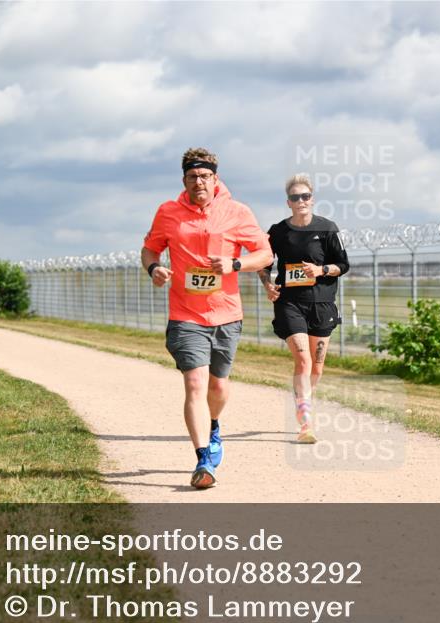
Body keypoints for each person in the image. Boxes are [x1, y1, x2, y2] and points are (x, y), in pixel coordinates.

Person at [141, 147, 272, 489]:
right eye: (192, 176)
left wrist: (235, 264)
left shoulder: (237, 212)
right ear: (183, 180)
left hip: (226, 314)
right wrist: (154, 268)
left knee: (218, 386)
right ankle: (203, 461)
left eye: (204, 176)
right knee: (195, 383)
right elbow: (150, 249)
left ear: (215, 178)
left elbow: (264, 253)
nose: (198, 182)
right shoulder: (168, 212)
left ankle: (214, 426)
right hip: (185, 314)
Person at [259, 174, 349, 443]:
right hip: (290, 303)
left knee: (317, 367)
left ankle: (305, 398)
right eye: (295, 197)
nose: (301, 201)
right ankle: (305, 420)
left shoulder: (327, 228)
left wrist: (321, 270)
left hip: (322, 304)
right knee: (303, 360)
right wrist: (267, 284)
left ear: (312, 199)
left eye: (305, 196)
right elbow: (264, 264)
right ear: (288, 202)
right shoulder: (278, 231)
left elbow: (343, 265)